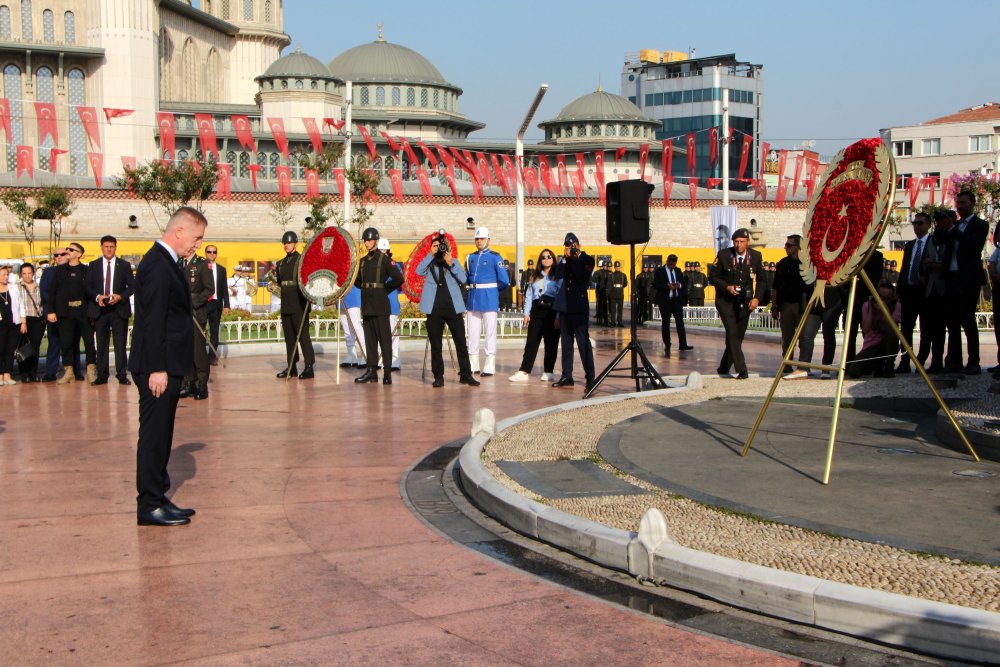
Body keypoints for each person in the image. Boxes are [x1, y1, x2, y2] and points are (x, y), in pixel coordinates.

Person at [129, 206, 207, 526]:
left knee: (162, 435)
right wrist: (158, 367)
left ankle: (159, 496)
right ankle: (148, 504)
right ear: (179, 233)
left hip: (167, 364)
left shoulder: (167, 262)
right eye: (196, 238)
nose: (198, 245)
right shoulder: (159, 266)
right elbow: (152, 320)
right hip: (156, 367)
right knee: (154, 437)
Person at [935, 192, 989, 374]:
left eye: (964, 203)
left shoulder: (980, 225)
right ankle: (954, 361)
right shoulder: (954, 225)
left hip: (969, 279)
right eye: (958, 203)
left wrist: (952, 229)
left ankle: (974, 362)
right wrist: (940, 225)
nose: (960, 206)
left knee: (967, 320)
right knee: (951, 321)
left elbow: (973, 245)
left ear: (972, 203)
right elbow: (937, 241)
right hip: (951, 277)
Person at [415, 233, 479, 388]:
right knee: (436, 345)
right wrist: (431, 255)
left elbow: (464, 279)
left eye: (440, 246)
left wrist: (451, 263)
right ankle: (438, 376)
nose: (438, 248)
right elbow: (418, 271)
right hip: (433, 307)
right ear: (431, 248)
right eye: (435, 246)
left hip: (453, 307)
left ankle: (466, 374)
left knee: (461, 343)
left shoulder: (453, 262)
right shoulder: (430, 264)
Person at [710, 227, 764, 379]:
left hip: (745, 302)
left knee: (737, 337)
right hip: (725, 301)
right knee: (732, 333)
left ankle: (723, 367)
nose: (738, 245)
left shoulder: (756, 256)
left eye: (741, 242)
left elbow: (762, 280)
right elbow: (713, 277)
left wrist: (757, 298)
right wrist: (727, 287)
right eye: (736, 242)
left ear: (747, 242)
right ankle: (742, 369)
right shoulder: (723, 255)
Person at [354, 227, 403, 385]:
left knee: (384, 340)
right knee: (370, 341)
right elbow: (357, 281)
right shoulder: (362, 262)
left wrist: (383, 289)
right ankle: (371, 371)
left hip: (381, 304)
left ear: (375, 240)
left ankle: (387, 372)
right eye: (365, 240)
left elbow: (398, 278)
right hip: (367, 304)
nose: (366, 243)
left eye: (369, 240)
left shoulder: (384, 260)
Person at [45, 242, 97, 384]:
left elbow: (92, 293)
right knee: (66, 342)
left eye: (71, 250)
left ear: (79, 254)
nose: (67, 251)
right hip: (65, 312)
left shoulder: (87, 271)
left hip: (83, 311)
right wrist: (51, 311)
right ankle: (69, 372)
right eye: (67, 249)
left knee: (88, 341)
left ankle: (91, 370)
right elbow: (52, 292)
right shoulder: (60, 271)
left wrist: (93, 313)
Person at [86, 235, 134, 385]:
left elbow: (132, 286)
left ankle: (121, 374)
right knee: (101, 343)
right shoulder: (93, 265)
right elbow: (87, 286)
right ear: (101, 247)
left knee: (120, 343)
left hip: (119, 309)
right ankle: (102, 375)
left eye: (112, 246)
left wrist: (120, 296)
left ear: (115, 247)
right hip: (100, 310)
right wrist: (97, 297)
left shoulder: (124, 265)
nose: (109, 249)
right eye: (106, 246)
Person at [552, 232, 596, 391]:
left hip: (578, 308)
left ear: (578, 245)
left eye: (573, 246)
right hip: (565, 307)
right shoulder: (565, 261)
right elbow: (556, 275)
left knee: (583, 342)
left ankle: (590, 377)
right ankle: (567, 375)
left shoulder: (588, 259)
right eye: (567, 246)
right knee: (566, 343)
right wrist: (564, 259)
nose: (570, 249)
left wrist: (575, 258)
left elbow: (582, 278)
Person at [509, 248, 560, 382]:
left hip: (552, 310)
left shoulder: (557, 276)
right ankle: (524, 370)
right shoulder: (534, 276)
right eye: (543, 257)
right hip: (537, 310)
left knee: (551, 342)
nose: (546, 259)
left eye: (549, 256)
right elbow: (529, 296)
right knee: (532, 341)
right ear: (540, 260)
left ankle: (548, 371)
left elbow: (561, 296)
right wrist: (526, 313)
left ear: (553, 259)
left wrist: (559, 316)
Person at [464, 226, 508, 377]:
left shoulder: (496, 257)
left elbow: (504, 281)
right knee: (473, 332)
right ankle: (473, 364)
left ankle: (489, 365)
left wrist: (494, 293)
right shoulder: (470, 257)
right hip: (473, 298)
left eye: (482, 238)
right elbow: (467, 277)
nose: (479, 241)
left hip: (489, 298)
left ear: (488, 240)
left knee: (490, 332)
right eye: (477, 239)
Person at [896, 214, 934, 373]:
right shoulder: (910, 245)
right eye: (914, 223)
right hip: (909, 291)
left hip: (925, 292)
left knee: (926, 329)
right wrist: (899, 290)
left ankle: (921, 360)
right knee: (905, 330)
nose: (917, 226)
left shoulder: (933, 242)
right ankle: (905, 360)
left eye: (920, 223)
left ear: (928, 225)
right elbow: (905, 268)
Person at [770, 235, 812, 378]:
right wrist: (774, 306)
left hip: (802, 306)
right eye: (786, 245)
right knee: (787, 338)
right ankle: (787, 365)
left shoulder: (806, 263)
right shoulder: (782, 263)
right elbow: (775, 287)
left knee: (804, 337)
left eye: (789, 245)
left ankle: (804, 366)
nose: (785, 248)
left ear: (797, 247)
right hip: (786, 305)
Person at [275, 231, 315, 380]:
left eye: (289, 243)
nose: (287, 245)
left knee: (303, 336)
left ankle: (309, 366)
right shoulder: (280, 264)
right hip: (286, 303)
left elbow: (307, 282)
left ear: (296, 244)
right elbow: (280, 282)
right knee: (289, 337)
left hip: (299, 303)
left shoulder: (302, 261)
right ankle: (291, 366)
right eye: (285, 243)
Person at [847, 281, 901, 379]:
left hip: (887, 342)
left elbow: (892, 326)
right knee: (853, 372)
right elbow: (866, 329)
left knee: (892, 332)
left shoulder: (896, 306)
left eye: (886, 298)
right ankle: (875, 366)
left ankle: (889, 365)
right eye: (880, 297)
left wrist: (885, 309)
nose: (882, 300)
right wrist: (872, 309)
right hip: (872, 344)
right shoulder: (867, 305)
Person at [180, 247, 213, 399]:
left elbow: (209, 289)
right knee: (184, 349)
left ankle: (202, 384)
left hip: (196, 311)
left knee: (197, 349)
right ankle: (189, 382)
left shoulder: (202, 264)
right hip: (181, 312)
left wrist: (194, 302)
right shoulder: (178, 263)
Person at [841, 249, 884, 363]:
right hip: (851, 299)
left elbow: (874, 278)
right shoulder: (849, 254)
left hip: (867, 300)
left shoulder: (876, 255)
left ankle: (869, 363)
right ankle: (848, 363)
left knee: (869, 334)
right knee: (849, 335)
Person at [653, 254, 692, 357]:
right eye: (671, 264)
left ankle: (683, 344)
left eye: (674, 264)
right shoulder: (660, 271)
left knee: (680, 322)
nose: (672, 265)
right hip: (665, 300)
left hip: (676, 300)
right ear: (667, 262)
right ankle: (667, 343)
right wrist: (667, 286)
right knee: (666, 323)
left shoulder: (678, 271)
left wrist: (680, 285)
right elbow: (655, 284)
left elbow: (683, 283)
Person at [39, 248, 69, 382]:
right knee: (54, 343)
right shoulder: (49, 273)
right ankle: (51, 372)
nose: (59, 257)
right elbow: (44, 293)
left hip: (70, 313)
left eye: (62, 254)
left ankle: (74, 371)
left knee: (70, 343)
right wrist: (53, 309)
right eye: (56, 255)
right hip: (54, 313)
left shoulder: (73, 270)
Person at [16, 263, 44, 383]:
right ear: (21, 274)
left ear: (33, 273)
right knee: (24, 348)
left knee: (35, 348)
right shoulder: (17, 287)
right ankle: (24, 374)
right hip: (24, 320)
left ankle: (33, 373)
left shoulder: (39, 286)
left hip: (37, 319)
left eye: (29, 273)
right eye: (24, 273)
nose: (27, 276)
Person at [203, 244, 230, 366]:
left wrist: (226, 305)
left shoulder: (221, 269)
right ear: (205, 253)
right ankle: (200, 355)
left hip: (216, 302)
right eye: (209, 252)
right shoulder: (200, 267)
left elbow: (224, 287)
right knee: (201, 330)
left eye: (214, 252)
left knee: (214, 330)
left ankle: (212, 356)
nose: (212, 254)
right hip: (203, 303)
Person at [377, 238, 402, 372]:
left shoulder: (393, 265)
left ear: (387, 250)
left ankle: (395, 358)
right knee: (381, 332)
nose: (382, 252)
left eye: (383, 249)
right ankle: (381, 357)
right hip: (379, 301)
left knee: (392, 332)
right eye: (380, 249)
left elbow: (397, 282)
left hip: (391, 301)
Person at [0, 265, 23, 385]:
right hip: (1, 325)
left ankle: (8, 373)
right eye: (3, 275)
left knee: (10, 349)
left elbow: (20, 305)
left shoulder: (13, 287)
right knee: (0, 348)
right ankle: (0, 374)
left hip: (13, 323)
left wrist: (23, 322)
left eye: (6, 274)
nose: (5, 277)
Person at [339, 285, 365, 368]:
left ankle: (365, 352)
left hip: (353, 294)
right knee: (346, 328)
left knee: (356, 326)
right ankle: (351, 354)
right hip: (340, 295)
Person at [607, 260, 627, 327]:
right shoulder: (611, 275)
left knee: (620, 310)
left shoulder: (623, 275)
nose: (617, 268)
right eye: (616, 267)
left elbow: (624, 284)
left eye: (618, 267)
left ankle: (620, 322)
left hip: (620, 294)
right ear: (614, 267)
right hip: (613, 295)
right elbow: (609, 285)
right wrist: (608, 293)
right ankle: (613, 322)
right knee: (613, 310)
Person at [594, 260, 610, 325]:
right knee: (599, 306)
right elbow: (593, 279)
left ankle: (606, 320)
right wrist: (598, 279)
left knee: (606, 306)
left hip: (606, 291)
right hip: (599, 291)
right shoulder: (598, 272)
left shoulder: (609, 273)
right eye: (604, 266)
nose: (605, 267)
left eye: (606, 266)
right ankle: (599, 320)